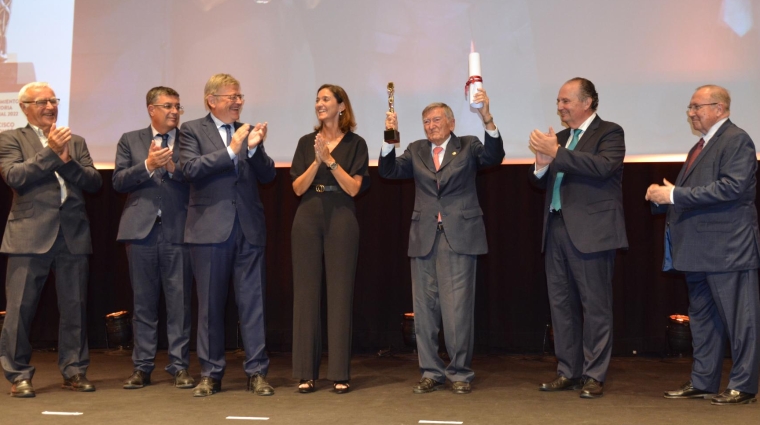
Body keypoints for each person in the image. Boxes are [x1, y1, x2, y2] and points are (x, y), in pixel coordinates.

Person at [379, 89, 504, 395]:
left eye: (436, 120)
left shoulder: (468, 146)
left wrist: (487, 118)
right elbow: (389, 170)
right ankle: (430, 372)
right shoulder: (417, 149)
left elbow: (494, 155)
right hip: (423, 237)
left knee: (457, 310)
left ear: (450, 122)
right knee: (424, 312)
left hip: (458, 236)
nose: (430, 125)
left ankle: (460, 372)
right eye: (425, 121)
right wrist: (388, 138)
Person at [646, 85, 760, 406]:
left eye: (697, 107)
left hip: (728, 249)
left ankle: (743, 385)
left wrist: (674, 195)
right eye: (691, 107)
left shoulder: (736, 140)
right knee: (704, 321)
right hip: (698, 250)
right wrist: (668, 197)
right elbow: (697, 192)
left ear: (720, 108)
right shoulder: (702, 146)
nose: (691, 113)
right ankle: (703, 380)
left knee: (741, 320)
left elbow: (732, 188)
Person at [0, 82, 102, 397]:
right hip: (29, 234)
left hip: (73, 234)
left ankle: (74, 371)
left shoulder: (77, 141)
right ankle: (18, 375)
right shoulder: (10, 138)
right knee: (20, 308)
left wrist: (67, 159)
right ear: (25, 107)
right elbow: (15, 176)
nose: (50, 107)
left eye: (53, 101)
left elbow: (94, 182)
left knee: (75, 307)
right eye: (43, 102)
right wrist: (50, 153)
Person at [529, 77, 627, 399]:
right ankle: (567, 371)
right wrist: (542, 164)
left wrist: (556, 152)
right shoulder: (558, 139)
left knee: (595, 305)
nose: (560, 107)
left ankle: (594, 374)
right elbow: (542, 181)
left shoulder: (610, 132)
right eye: (558, 102)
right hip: (556, 228)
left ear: (587, 102)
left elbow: (603, 167)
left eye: (566, 101)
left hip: (591, 233)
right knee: (561, 305)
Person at [179, 73, 276, 397]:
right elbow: (189, 169)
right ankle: (211, 373)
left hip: (248, 228)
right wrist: (232, 152)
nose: (238, 102)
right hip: (209, 229)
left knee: (254, 304)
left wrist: (255, 149)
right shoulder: (191, 130)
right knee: (210, 307)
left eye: (240, 97)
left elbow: (267, 174)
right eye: (232, 97)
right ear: (212, 100)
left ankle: (258, 372)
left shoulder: (246, 131)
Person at [112, 86, 194, 390]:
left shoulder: (188, 139)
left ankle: (179, 366)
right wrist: (148, 165)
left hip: (179, 229)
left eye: (177, 106)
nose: (174, 112)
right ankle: (142, 367)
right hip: (140, 231)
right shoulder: (130, 139)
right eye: (168, 106)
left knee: (180, 304)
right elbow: (119, 181)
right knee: (143, 303)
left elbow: (198, 178)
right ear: (151, 109)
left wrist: (173, 168)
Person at [290, 84, 369, 394]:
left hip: (341, 213)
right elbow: (297, 188)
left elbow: (353, 188)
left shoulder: (356, 144)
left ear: (341, 107)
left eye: (325, 99)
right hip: (308, 213)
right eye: (317, 99)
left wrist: (332, 161)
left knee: (339, 293)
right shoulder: (304, 143)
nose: (319, 104)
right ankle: (306, 373)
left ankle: (339, 372)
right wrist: (317, 160)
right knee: (306, 295)